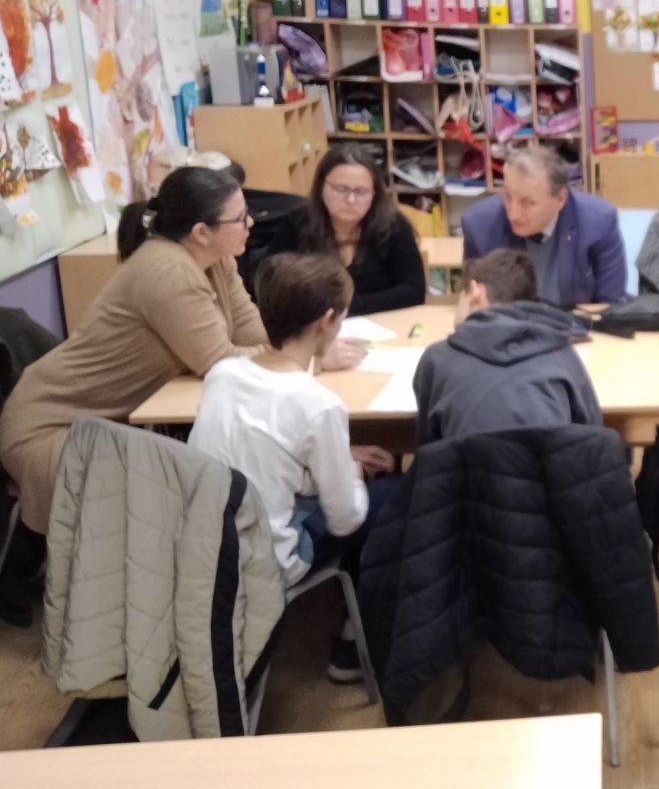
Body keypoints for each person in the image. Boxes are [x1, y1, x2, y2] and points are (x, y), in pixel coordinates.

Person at [0, 168, 301, 543]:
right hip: (54, 432)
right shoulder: (167, 270)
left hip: (106, 427)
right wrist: (298, 354)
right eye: (240, 218)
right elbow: (219, 362)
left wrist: (294, 345)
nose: (251, 223)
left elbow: (250, 328)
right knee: (177, 516)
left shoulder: (217, 259)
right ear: (201, 232)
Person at [188, 253, 398, 682]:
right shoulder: (318, 405)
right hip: (269, 564)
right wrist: (351, 473)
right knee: (394, 492)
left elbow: (264, 455)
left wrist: (337, 456)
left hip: (205, 549)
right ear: (327, 322)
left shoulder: (223, 375)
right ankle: (355, 640)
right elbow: (345, 519)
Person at [414, 249, 601, 443]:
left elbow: (428, 446)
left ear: (475, 291)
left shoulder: (436, 359)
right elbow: (592, 433)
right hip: (545, 462)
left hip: (468, 463)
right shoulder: (563, 355)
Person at [265, 145, 425, 316]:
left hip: (380, 324)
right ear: (322, 187)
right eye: (341, 189)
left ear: (374, 194)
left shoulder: (393, 225)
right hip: (312, 326)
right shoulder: (296, 222)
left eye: (361, 192)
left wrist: (342, 310)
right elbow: (272, 286)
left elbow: (414, 291)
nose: (351, 200)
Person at [460, 146, 626, 308]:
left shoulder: (599, 221)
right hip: (509, 324)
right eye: (508, 197)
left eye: (527, 203)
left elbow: (611, 306)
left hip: (574, 324)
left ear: (560, 199)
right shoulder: (478, 225)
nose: (513, 214)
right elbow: (473, 305)